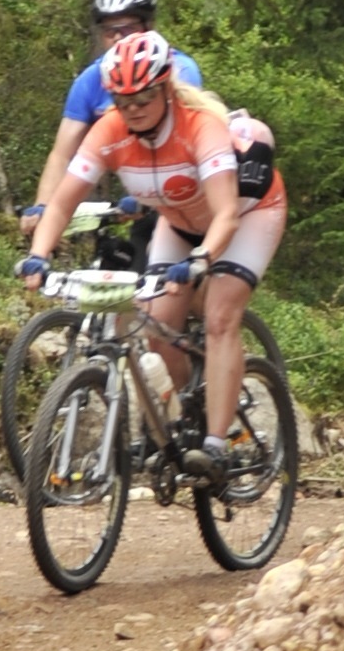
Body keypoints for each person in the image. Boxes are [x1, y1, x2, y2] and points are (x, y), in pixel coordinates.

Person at [22, 33, 288, 476]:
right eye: (122, 100)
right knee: (156, 324)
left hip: (247, 216)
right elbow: (64, 202)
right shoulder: (109, 131)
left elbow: (225, 215)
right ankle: (182, 422)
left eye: (144, 97)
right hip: (179, 223)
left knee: (220, 317)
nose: (134, 108)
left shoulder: (199, 126)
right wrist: (38, 255)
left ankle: (217, 444)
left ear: (166, 87)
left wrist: (202, 260)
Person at [24, 0, 201, 228]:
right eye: (109, 31)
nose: (118, 37)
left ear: (149, 27)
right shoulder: (90, 80)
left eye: (127, 29)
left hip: (183, 185)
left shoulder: (178, 69)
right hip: (135, 187)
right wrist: (41, 207)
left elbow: (187, 139)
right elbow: (62, 155)